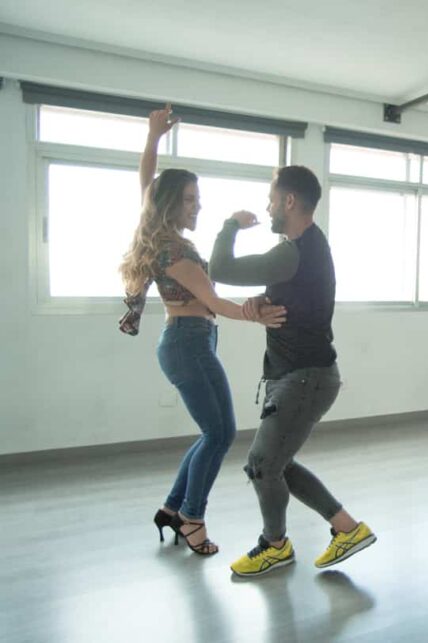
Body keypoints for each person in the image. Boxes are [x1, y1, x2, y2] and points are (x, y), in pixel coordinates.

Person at [119, 105, 286, 556]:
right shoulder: (174, 252)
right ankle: (192, 518)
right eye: (191, 199)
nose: (198, 205)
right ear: (173, 204)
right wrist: (256, 313)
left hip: (188, 342)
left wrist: (153, 137)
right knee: (220, 433)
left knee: (215, 432)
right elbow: (215, 303)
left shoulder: (158, 230)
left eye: (198, 198)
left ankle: (175, 509)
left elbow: (146, 180)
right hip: (188, 344)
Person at [208, 165, 376, 577]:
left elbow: (219, 270)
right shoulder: (309, 248)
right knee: (275, 463)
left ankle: (275, 544)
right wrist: (259, 302)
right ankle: (347, 529)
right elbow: (296, 298)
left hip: (305, 378)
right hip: (300, 376)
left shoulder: (292, 252)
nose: (267, 208)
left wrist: (231, 224)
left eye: (271, 200)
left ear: (289, 201)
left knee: (263, 464)